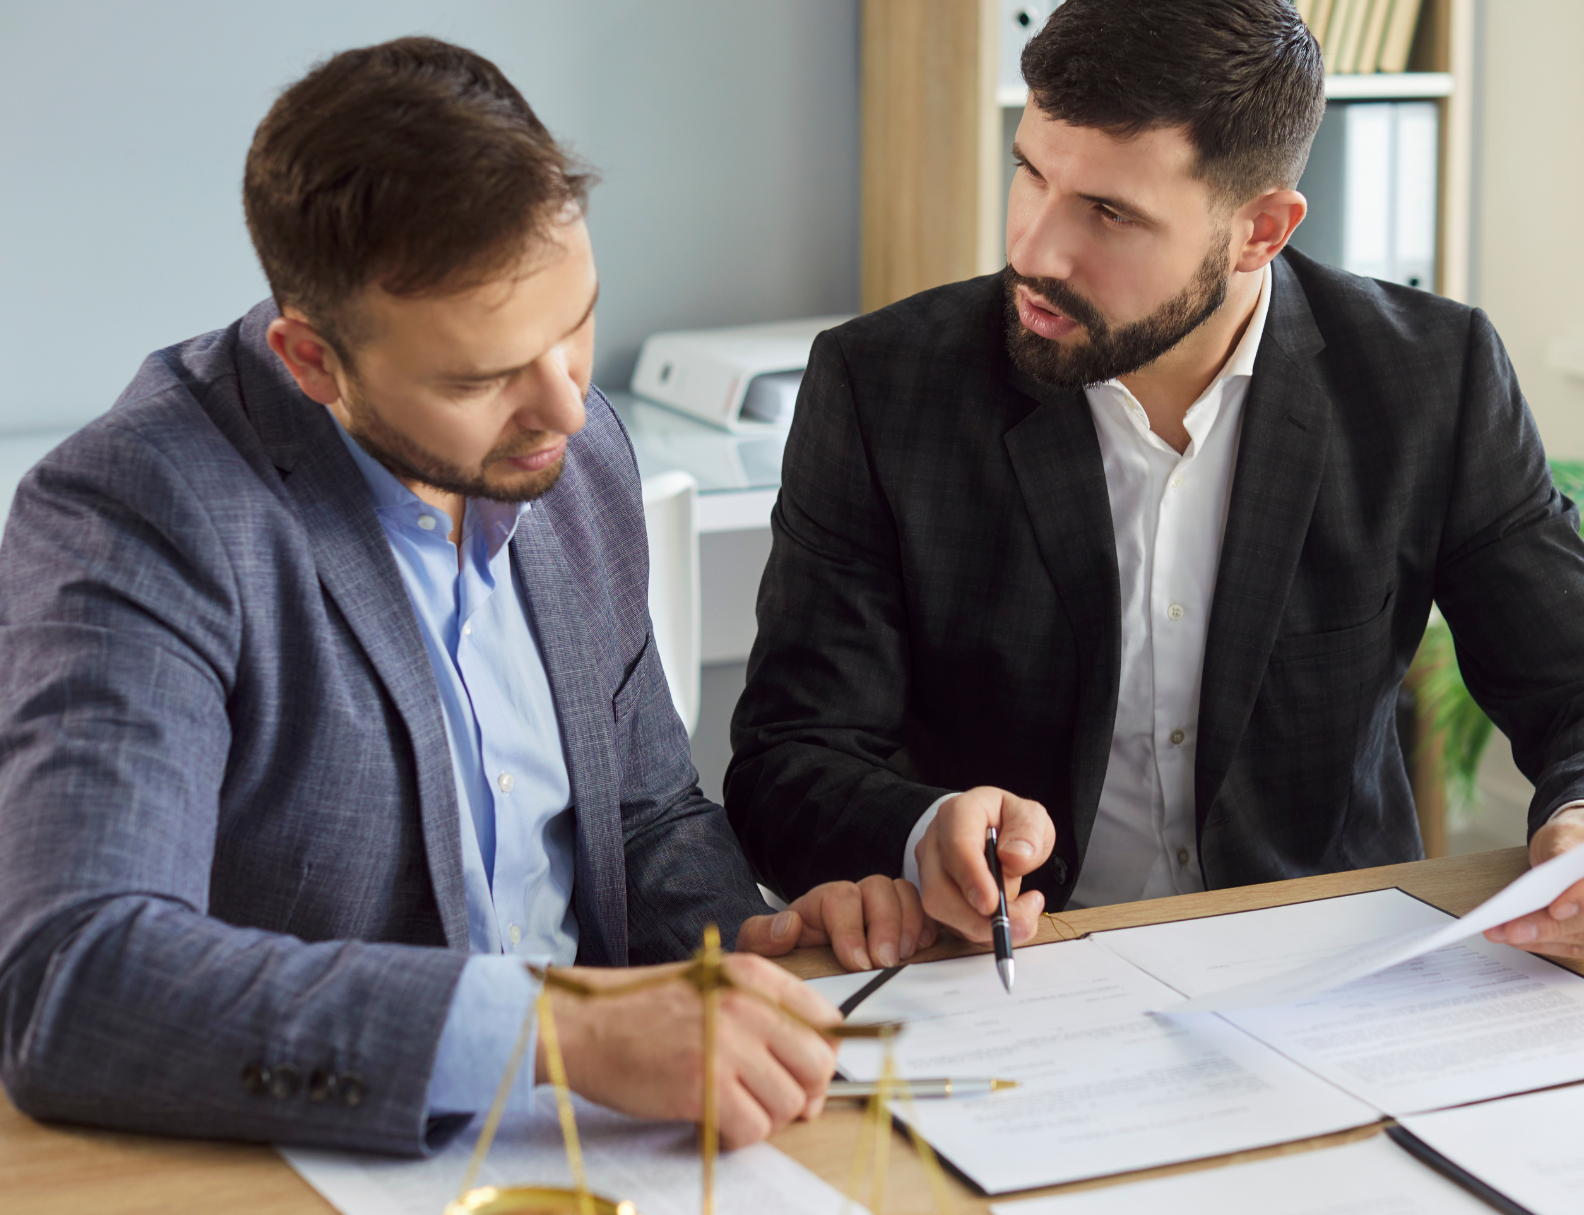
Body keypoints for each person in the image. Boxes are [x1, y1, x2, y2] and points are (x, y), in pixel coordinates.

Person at [0, 37, 932, 1156]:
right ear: (311, 362)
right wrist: (562, 1028)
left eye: (577, 320)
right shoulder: (143, 507)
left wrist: (746, 946)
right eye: (482, 377)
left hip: (603, 1153)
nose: (568, 409)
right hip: (307, 1170)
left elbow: (641, 814)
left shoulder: (571, 455)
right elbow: (77, 978)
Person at [727, 0, 1584, 968]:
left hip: (1328, 975)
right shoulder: (883, 385)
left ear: (1260, 231)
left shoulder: (1429, 379)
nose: (1033, 249)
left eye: (1108, 211)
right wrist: (922, 828)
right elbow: (787, 760)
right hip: (1017, 979)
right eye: (1031, 171)